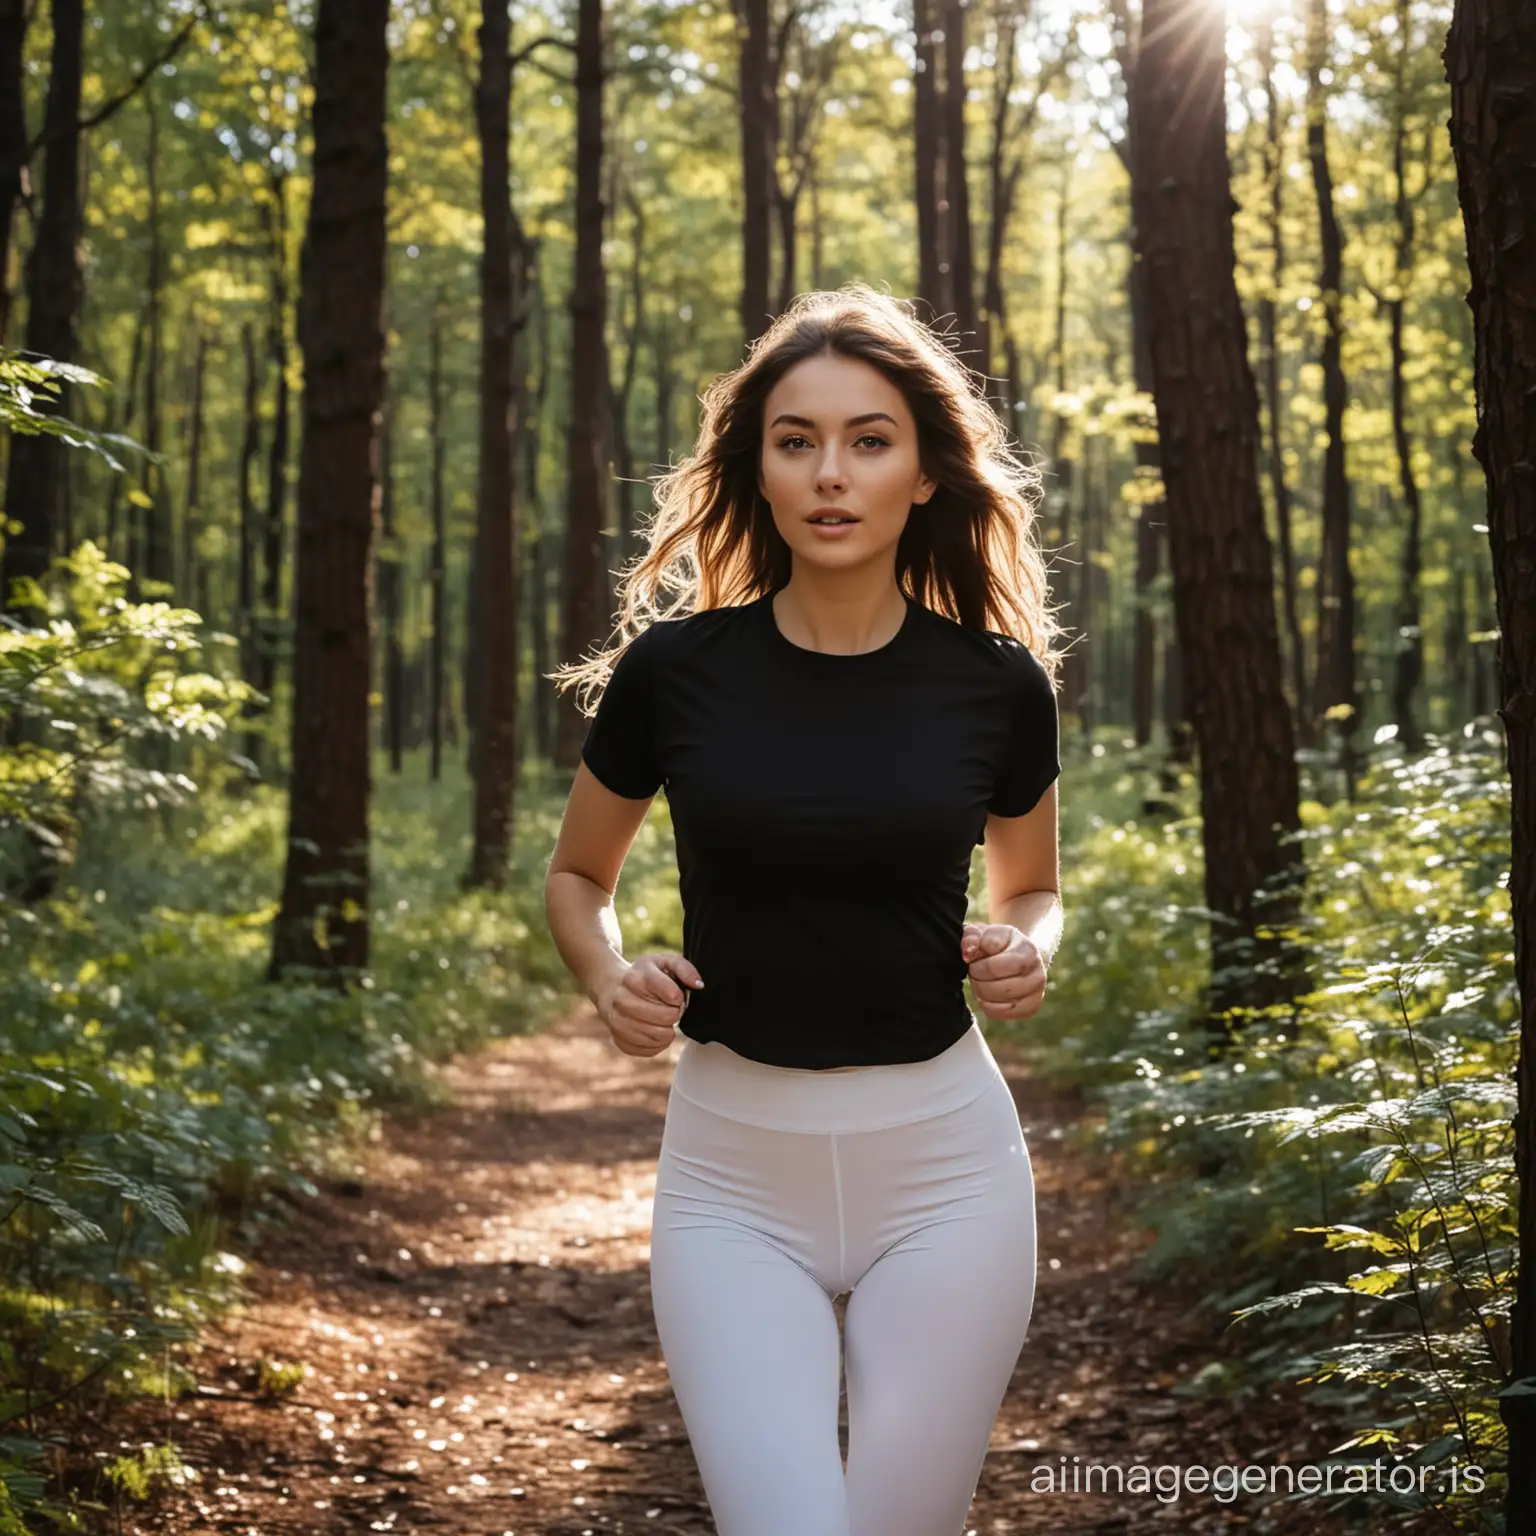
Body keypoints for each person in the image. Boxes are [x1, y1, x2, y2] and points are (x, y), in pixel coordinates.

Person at [544, 284, 1063, 1536]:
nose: (832, 474)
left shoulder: (995, 686)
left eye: (869, 439)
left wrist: (1026, 949)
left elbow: (1035, 885)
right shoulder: (678, 673)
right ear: (761, 469)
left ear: (924, 473)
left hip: (948, 1171)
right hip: (730, 1177)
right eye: (798, 440)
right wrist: (609, 979)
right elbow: (578, 881)